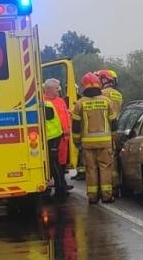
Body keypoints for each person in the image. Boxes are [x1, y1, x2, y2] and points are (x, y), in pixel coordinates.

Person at [71, 72, 115, 204]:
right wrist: (113, 139)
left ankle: (93, 197)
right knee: (105, 168)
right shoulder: (106, 101)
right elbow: (114, 123)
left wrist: (77, 142)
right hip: (105, 143)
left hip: (87, 145)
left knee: (91, 170)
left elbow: (76, 127)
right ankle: (107, 196)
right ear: (98, 84)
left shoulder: (80, 104)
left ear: (84, 86)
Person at [42, 78, 72, 200]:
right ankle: (60, 186)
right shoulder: (44, 101)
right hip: (53, 137)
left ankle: (62, 184)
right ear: (48, 89)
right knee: (55, 163)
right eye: (56, 88)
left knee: (62, 163)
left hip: (63, 137)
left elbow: (65, 116)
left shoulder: (60, 101)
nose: (58, 90)